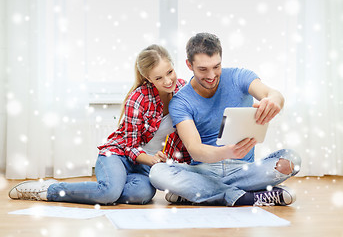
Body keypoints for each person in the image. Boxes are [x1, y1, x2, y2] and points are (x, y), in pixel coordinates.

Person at [8, 44, 190, 205]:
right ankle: (49, 190)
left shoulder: (184, 92)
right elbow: (129, 146)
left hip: (144, 166)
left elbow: (188, 136)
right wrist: (151, 160)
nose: (167, 81)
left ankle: (105, 188)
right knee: (109, 193)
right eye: (158, 78)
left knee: (141, 195)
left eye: (170, 72)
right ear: (148, 79)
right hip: (118, 154)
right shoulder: (139, 98)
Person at [149, 33, 302, 206]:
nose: (212, 75)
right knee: (157, 172)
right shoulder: (180, 101)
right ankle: (247, 197)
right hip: (204, 171)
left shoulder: (239, 77)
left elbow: (272, 94)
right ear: (189, 65)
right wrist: (227, 152)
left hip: (245, 170)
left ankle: (199, 193)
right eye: (203, 69)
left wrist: (274, 101)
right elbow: (195, 150)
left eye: (216, 66)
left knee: (292, 160)